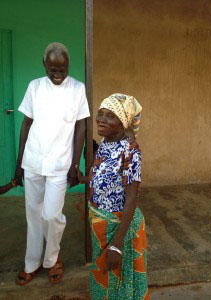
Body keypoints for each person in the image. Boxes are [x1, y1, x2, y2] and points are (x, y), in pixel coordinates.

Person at [14, 42, 90, 286]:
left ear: (68, 66)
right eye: (53, 70)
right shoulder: (34, 87)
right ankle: (32, 263)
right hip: (33, 161)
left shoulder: (78, 89)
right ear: (44, 64)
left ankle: (53, 258)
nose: (58, 75)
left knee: (51, 215)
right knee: (33, 215)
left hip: (60, 163)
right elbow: (26, 124)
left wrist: (75, 164)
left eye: (63, 70)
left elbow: (81, 126)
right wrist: (19, 164)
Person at [77, 93, 149, 299]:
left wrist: (116, 245)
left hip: (120, 228)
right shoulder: (105, 142)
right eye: (100, 114)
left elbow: (132, 197)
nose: (101, 120)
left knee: (121, 285)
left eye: (110, 116)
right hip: (100, 225)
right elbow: (105, 176)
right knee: (104, 281)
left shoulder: (131, 150)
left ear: (123, 122)